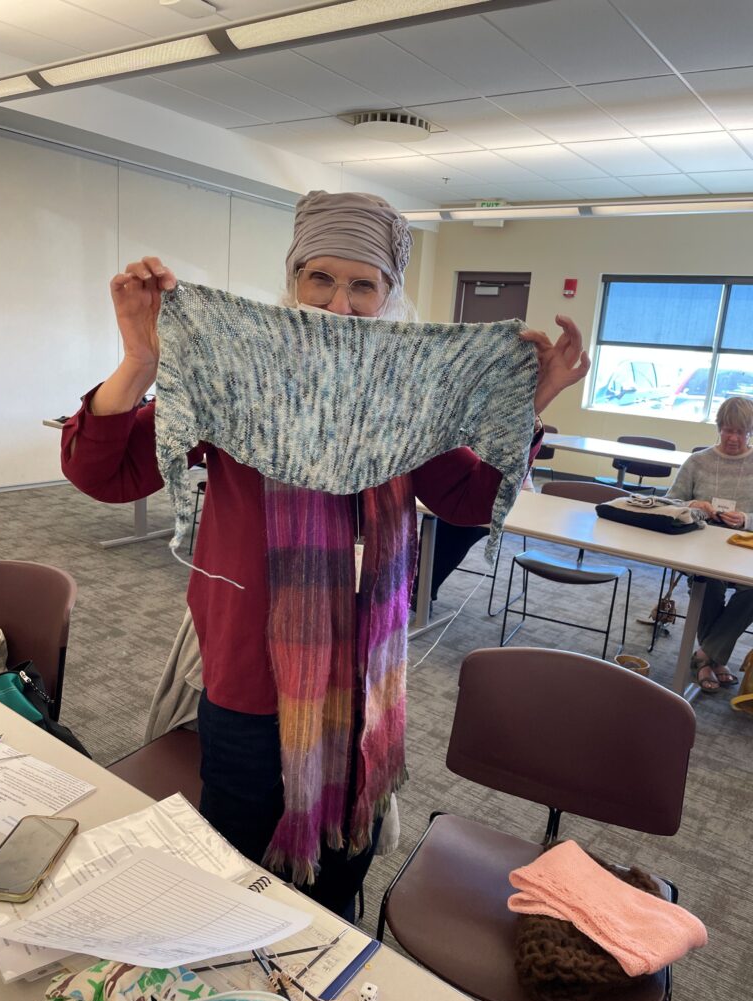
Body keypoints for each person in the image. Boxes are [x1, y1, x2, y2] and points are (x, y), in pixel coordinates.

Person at [61, 190, 589, 920]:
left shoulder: (404, 393)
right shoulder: (245, 376)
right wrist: (141, 359)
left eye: (363, 285)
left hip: (362, 678)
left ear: (390, 294)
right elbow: (107, 474)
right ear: (294, 280)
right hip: (251, 672)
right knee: (237, 860)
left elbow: (469, 498)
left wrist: (533, 402)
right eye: (321, 278)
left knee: (341, 864)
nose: (339, 304)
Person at [667, 396, 753, 693]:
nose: (733, 438)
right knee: (708, 582)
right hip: (700, 549)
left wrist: (746, 519)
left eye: (741, 432)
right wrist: (694, 505)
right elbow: (669, 503)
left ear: (750, 432)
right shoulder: (698, 462)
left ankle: (705, 656)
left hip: (743, 553)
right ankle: (712, 660)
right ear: (718, 428)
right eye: (728, 430)